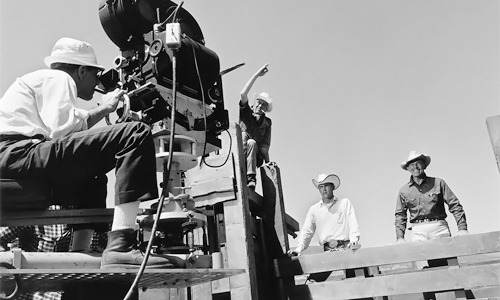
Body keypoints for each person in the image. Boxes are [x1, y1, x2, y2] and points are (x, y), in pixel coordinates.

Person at [0, 37, 182, 269]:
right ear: (82, 70)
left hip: (18, 157)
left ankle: (79, 256)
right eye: (96, 74)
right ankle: (122, 246)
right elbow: (62, 132)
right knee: (135, 133)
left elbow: (66, 139)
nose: (97, 81)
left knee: (92, 179)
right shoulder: (60, 77)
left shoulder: (39, 82)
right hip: (17, 152)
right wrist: (104, 108)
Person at [288, 173, 361, 282]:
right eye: (321, 186)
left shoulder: (344, 203)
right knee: (312, 283)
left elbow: (353, 223)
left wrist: (354, 239)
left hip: (346, 249)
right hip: (327, 253)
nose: (324, 189)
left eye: (326, 185)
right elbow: (307, 232)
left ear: (332, 187)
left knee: (355, 284)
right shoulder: (314, 210)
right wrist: (299, 249)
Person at [395, 151, 469, 245]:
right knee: (421, 258)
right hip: (418, 231)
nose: (416, 167)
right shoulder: (404, 191)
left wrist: (462, 228)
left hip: (439, 228)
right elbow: (400, 215)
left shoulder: (438, 183)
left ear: (424, 166)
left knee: (445, 257)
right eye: (412, 165)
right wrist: (400, 237)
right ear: (408, 169)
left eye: (418, 163)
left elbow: (454, 205)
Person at [239, 64, 272, 190]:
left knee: (252, 142)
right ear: (254, 102)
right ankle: (239, 170)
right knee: (243, 135)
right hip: (240, 151)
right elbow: (243, 94)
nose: (260, 106)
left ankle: (251, 179)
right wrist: (257, 75)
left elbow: (264, 146)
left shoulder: (267, 123)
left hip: (255, 157)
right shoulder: (246, 113)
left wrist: (268, 163)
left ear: (266, 109)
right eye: (259, 102)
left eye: (264, 105)